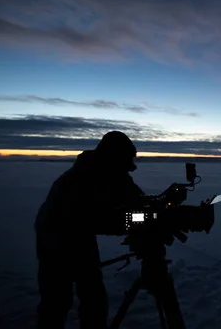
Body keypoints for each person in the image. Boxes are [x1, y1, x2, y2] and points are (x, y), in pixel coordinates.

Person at [34, 131, 144, 329]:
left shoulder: (115, 172)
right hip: (54, 238)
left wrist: (152, 212)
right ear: (113, 157)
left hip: (80, 235)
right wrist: (136, 223)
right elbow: (96, 221)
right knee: (57, 301)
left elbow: (136, 199)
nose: (126, 168)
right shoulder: (80, 179)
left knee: (94, 298)